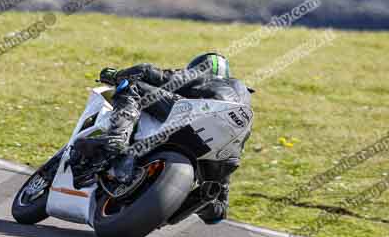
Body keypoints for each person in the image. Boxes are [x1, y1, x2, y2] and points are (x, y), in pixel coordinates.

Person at [71, 52, 253, 224]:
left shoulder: (207, 77)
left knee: (132, 85)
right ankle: (184, 199)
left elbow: (149, 72)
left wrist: (117, 74)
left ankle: (116, 138)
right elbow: (217, 216)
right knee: (214, 196)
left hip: (201, 114)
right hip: (229, 148)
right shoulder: (240, 99)